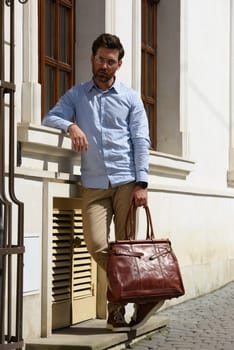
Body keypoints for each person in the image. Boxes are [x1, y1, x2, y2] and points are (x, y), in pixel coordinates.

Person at [43, 33, 163, 332]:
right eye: (100, 59)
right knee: (98, 244)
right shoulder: (77, 95)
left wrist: (142, 184)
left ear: (118, 65)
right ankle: (144, 293)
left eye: (110, 62)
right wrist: (71, 125)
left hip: (126, 180)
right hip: (93, 182)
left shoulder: (130, 98)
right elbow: (50, 117)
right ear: (92, 59)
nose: (104, 66)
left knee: (124, 247)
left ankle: (117, 313)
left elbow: (140, 139)